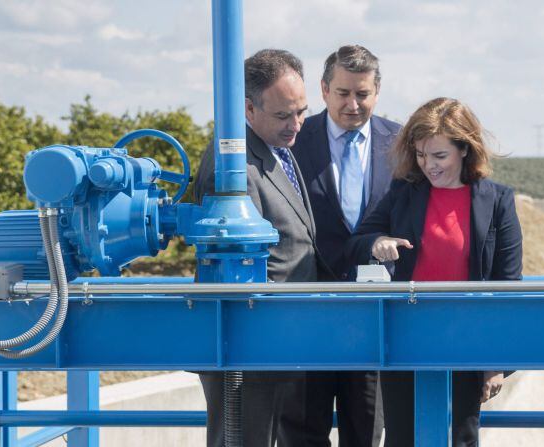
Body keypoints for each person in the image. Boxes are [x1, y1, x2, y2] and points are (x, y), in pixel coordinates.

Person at [346, 97, 523, 446]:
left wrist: (495, 362)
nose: (429, 165)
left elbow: (508, 286)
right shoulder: (403, 193)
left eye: (439, 156)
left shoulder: (498, 201)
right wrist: (377, 241)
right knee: (403, 439)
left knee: (461, 439)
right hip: (404, 343)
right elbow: (357, 242)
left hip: (467, 345)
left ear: (464, 149)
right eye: (422, 155)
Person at [193, 49, 320, 447]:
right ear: (248, 108)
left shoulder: (275, 149)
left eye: (301, 111)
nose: (296, 124)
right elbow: (236, 261)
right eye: (284, 115)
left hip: (279, 337)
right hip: (248, 341)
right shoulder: (232, 165)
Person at [291, 45, 400, 446]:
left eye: (363, 94)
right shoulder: (295, 140)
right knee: (301, 431)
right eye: (342, 93)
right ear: (323, 89)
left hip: (373, 316)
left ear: (377, 92)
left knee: (367, 431)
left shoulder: (401, 142)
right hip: (307, 309)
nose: (353, 104)